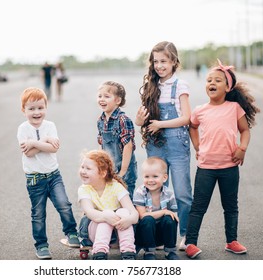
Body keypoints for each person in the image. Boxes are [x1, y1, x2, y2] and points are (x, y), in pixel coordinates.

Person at [184, 59, 260, 259]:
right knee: (198, 207)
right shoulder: (200, 110)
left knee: (231, 206)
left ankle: (231, 241)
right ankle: (191, 243)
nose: (212, 83)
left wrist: (242, 148)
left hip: (229, 167)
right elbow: (192, 127)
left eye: (217, 80)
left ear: (227, 87)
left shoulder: (234, 108)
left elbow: (244, 130)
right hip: (206, 168)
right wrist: (197, 146)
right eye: (209, 80)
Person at [135, 41, 193, 251]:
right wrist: (140, 120)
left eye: (163, 61)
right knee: (157, 190)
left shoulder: (180, 85)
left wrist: (161, 124)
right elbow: (142, 121)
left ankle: (186, 235)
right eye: (156, 61)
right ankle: (160, 236)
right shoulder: (152, 86)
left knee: (182, 192)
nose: (159, 66)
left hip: (177, 143)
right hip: (155, 143)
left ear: (173, 62)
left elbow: (186, 118)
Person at [17, 87, 80, 259]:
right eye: (31, 109)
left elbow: (54, 148)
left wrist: (35, 143)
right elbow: (28, 153)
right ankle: (41, 245)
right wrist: (43, 141)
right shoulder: (23, 129)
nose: (36, 112)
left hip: (53, 176)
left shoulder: (50, 126)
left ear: (46, 107)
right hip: (35, 179)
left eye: (40, 108)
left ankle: (72, 233)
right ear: (24, 110)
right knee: (38, 214)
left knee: (64, 204)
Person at [78, 81, 138, 249]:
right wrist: (97, 165)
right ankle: (107, 237)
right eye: (99, 96)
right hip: (107, 170)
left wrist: (123, 170)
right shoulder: (101, 119)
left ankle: (129, 239)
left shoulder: (123, 119)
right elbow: (102, 145)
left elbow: (128, 146)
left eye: (106, 96)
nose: (102, 99)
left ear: (117, 100)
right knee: (107, 203)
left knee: (125, 205)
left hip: (124, 169)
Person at [78, 150, 138, 260]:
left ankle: (128, 252)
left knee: (124, 212)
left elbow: (134, 213)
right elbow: (89, 212)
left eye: (88, 168)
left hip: (117, 233)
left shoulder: (115, 186)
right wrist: (106, 216)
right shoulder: (84, 189)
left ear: (102, 173)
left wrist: (129, 220)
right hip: (93, 233)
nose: (83, 171)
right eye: (82, 167)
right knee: (107, 214)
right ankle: (99, 253)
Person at [133, 157, 180, 260]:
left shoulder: (169, 194)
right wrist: (163, 211)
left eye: (155, 176)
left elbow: (174, 217)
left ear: (164, 177)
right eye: (147, 176)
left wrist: (167, 214)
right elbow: (142, 215)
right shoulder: (140, 192)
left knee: (170, 218)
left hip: (161, 234)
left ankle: (170, 251)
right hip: (144, 234)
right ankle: (149, 251)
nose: (150, 180)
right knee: (148, 219)